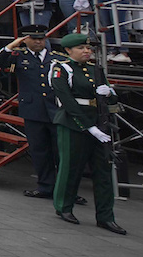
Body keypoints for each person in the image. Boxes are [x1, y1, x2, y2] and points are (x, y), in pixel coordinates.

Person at [47, 33, 126, 234]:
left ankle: (106, 216)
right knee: (71, 167)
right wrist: (88, 126)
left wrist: (109, 94)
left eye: (88, 49)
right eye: (81, 48)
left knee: (104, 172)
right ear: (68, 50)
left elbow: (112, 99)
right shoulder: (61, 68)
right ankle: (64, 206)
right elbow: (67, 101)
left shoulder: (95, 70)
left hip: (100, 123)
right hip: (73, 123)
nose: (87, 51)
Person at [0, 26, 64, 201]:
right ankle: (45, 186)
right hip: (33, 110)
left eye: (41, 38)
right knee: (39, 151)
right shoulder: (18, 56)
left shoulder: (58, 58)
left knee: (61, 152)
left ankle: (65, 189)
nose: (38, 41)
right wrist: (11, 46)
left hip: (55, 110)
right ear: (25, 40)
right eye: (34, 38)